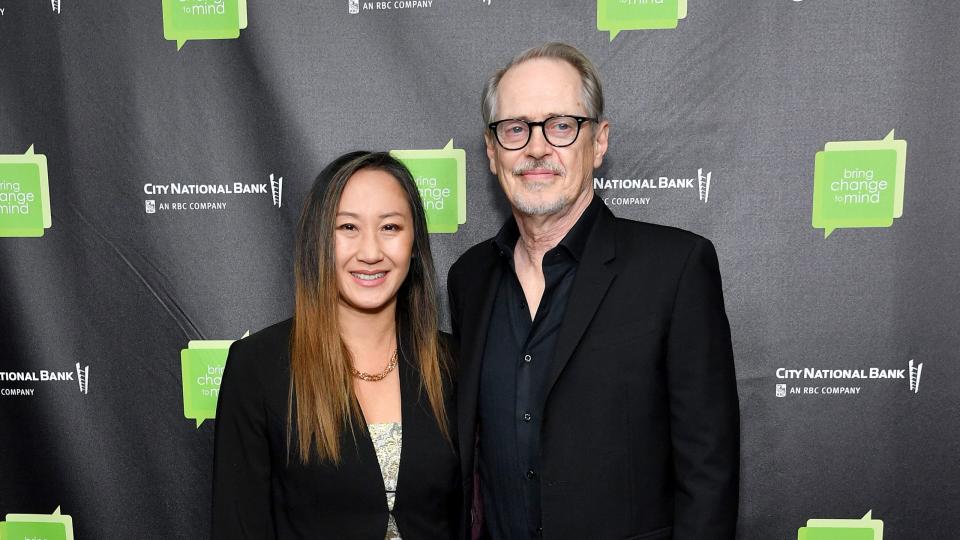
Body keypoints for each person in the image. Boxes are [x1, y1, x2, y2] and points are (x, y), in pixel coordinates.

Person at [447, 43, 740, 540]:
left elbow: (708, 473)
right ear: (493, 153)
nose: (537, 148)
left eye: (561, 125)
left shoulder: (675, 268)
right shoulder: (470, 277)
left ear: (598, 142)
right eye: (516, 128)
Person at [212, 151, 461, 539]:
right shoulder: (257, 368)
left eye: (391, 227)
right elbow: (238, 528)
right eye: (347, 227)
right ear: (319, 241)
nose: (370, 252)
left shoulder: (454, 365)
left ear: (414, 244)